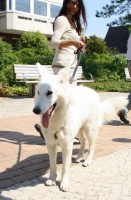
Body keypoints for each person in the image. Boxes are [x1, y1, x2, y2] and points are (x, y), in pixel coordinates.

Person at [35, 0, 87, 140]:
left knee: (68, 101)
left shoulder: (72, 23)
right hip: (62, 66)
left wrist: (79, 45)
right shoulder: (62, 20)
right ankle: (46, 128)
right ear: (65, 3)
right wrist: (73, 42)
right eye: (72, 2)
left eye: (77, 4)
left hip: (70, 66)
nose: (74, 6)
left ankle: (65, 131)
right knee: (56, 100)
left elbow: (70, 45)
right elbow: (53, 43)